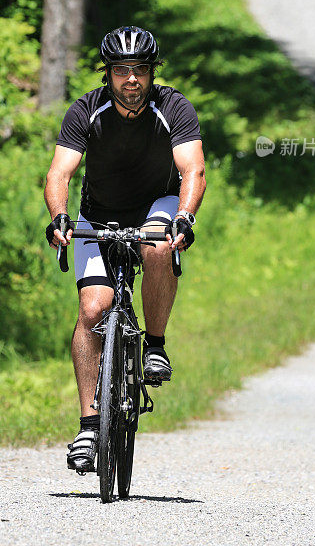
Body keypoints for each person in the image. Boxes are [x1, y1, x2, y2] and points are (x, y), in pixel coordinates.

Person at [44, 25, 206, 473]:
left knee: (157, 246)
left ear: (151, 73)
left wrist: (185, 216)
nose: (130, 79)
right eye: (120, 71)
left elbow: (193, 168)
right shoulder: (85, 111)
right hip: (99, 214)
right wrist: (59, 216)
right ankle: (88, 427)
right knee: (93, 310)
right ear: (108, 74)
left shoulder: (173, 107)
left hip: (157, 205)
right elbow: (60, 173)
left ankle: (155, 343)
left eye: (138, 70)